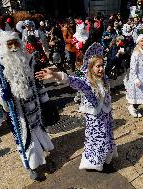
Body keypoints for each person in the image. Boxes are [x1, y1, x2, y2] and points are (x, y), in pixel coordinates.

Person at [35, 43, 118, 172]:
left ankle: (104, 160)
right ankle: (98, 164)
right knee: (98, 140)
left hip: (105, 116)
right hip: (95, 119)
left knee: (107, 137)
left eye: (102, 65)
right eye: (98, 66)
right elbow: (72, 80)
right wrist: (56, 75)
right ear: (90, 68)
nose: (101, 69)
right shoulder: (86, 82)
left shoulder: (104, 79)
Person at [0, 31, 54, 180]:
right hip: (18, 111)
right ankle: (33, 166)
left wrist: (45, 99)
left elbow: (37, 81)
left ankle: (44, 159)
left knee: (39, 131)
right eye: (9, 44)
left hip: (34, 106)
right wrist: (1, 94)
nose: (13, 47)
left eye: (15, 43)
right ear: (4, 47)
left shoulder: (30, 59)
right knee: (26, 138)